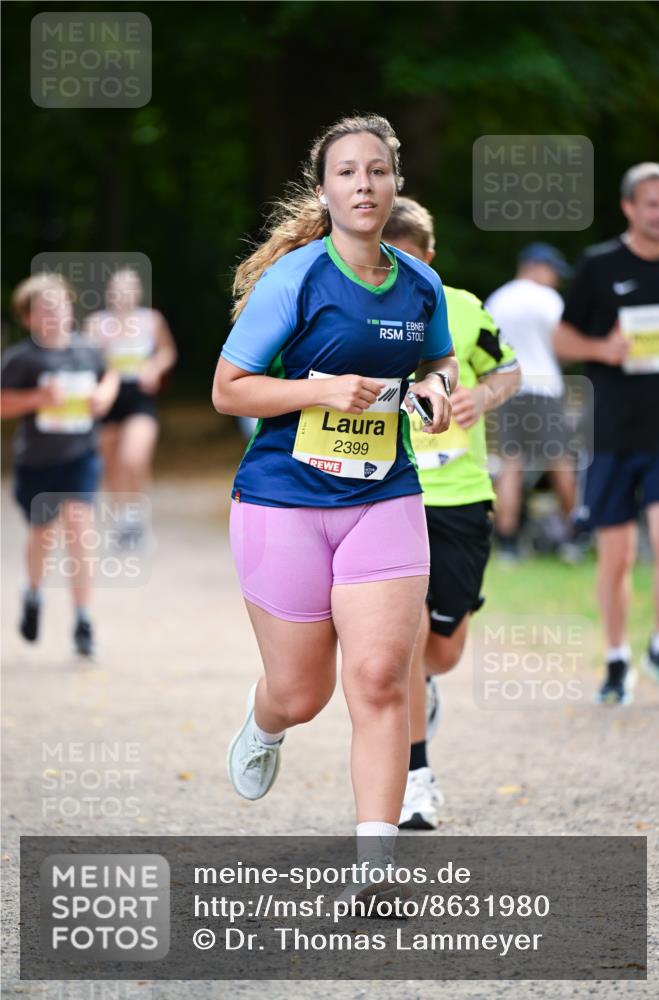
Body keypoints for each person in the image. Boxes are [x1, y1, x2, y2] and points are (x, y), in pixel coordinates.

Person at [211, 115, 458, 872]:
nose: (363, 184)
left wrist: (436, 389)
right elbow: (228, 390)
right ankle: (265, 722)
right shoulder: (295, 279)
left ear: (395, 183)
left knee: (379, 679)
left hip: (384, 495)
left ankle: (375, 865)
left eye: (377, 170)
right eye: (347, 172)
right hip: (283, 500)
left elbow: (442, 362)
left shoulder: (419, 284)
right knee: (302, 693)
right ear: (324, 191)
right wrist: (316, 390)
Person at [382, 198, 520, 829]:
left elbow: (508, 370)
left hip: (461, 496)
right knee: (406, 639)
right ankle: (416, 777)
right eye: (388, 261)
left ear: (431, 260)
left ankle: (425, 688)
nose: (400, 275)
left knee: (443, 651)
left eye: (411, 263)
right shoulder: (358, 315)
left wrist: (481, 397)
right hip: (391, 493)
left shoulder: (463, 308)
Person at [553, 162, 659, 705]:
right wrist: (604, 349)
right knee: (617, 556)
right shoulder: (600, 266)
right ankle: (618, 659)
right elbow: (561, 341)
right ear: (629, 208)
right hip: (611, 433)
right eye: (652, 203)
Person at [0, 273, 120, 656]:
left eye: (59, 305)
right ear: (28, 318)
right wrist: (37, 398)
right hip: (36, 462)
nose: (53, 313)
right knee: (43, 534)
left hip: (80, 456)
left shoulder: (86, 350)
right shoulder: (21, 359)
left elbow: (110, 375)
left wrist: (103, 395)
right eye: (44, 309)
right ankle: (33, 593)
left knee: (79, 527)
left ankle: (83, 619)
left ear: (70, 309)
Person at [485, 243, 575, 561]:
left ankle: (508, 541)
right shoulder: (548, 299)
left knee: (511, 463)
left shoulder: (497, 299)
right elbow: (562, 345)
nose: (556, 280)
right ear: (537, 266)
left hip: (508, 388)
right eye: (553, 272)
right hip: (544, 388)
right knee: (559, 460)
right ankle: (574, 535)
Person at [85, 268, 177, 543]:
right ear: (109, 293)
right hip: (107, 397)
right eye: (118, 289)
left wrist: (154, 367)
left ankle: (138, 516)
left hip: (139, 396)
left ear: (138, 292)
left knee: (134, 458)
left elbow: (168, 351)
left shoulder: (151, 320)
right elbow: (84, 359)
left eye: (129, 289)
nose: (123, 294)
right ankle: (122, 520)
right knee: (111, 463)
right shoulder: (96, 323)